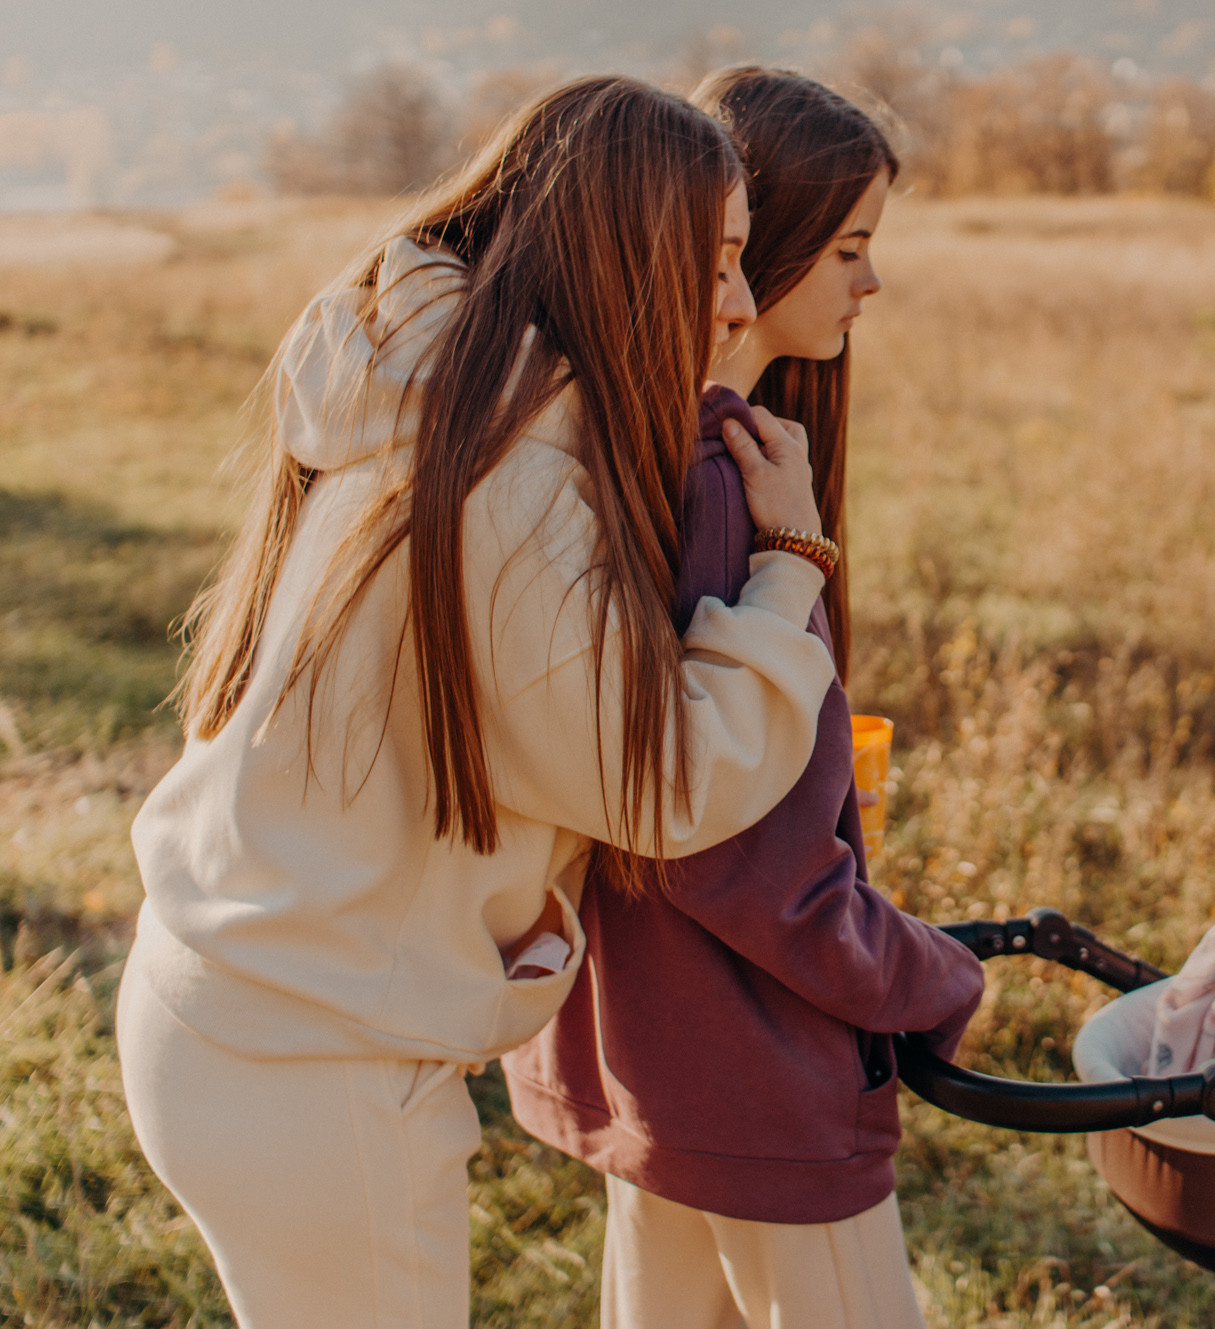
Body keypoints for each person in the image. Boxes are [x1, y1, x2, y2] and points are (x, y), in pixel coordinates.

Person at [116, 76, 841, 1328]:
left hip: (228, 1011)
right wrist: (789, 572)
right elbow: (665, 777)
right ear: (628, 260)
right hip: (314, 1069)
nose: (736, 301)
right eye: (718, 259)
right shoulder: (511, 485)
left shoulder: (433, 401)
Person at [502, 68, 986, 1329]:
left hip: (650, 1046)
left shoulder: (643, 446)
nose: (868, 284)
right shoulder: (728, 491)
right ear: (750, 254)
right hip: (756, 1066)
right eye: (849, 246)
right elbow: (730, 853)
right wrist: (925, 976)